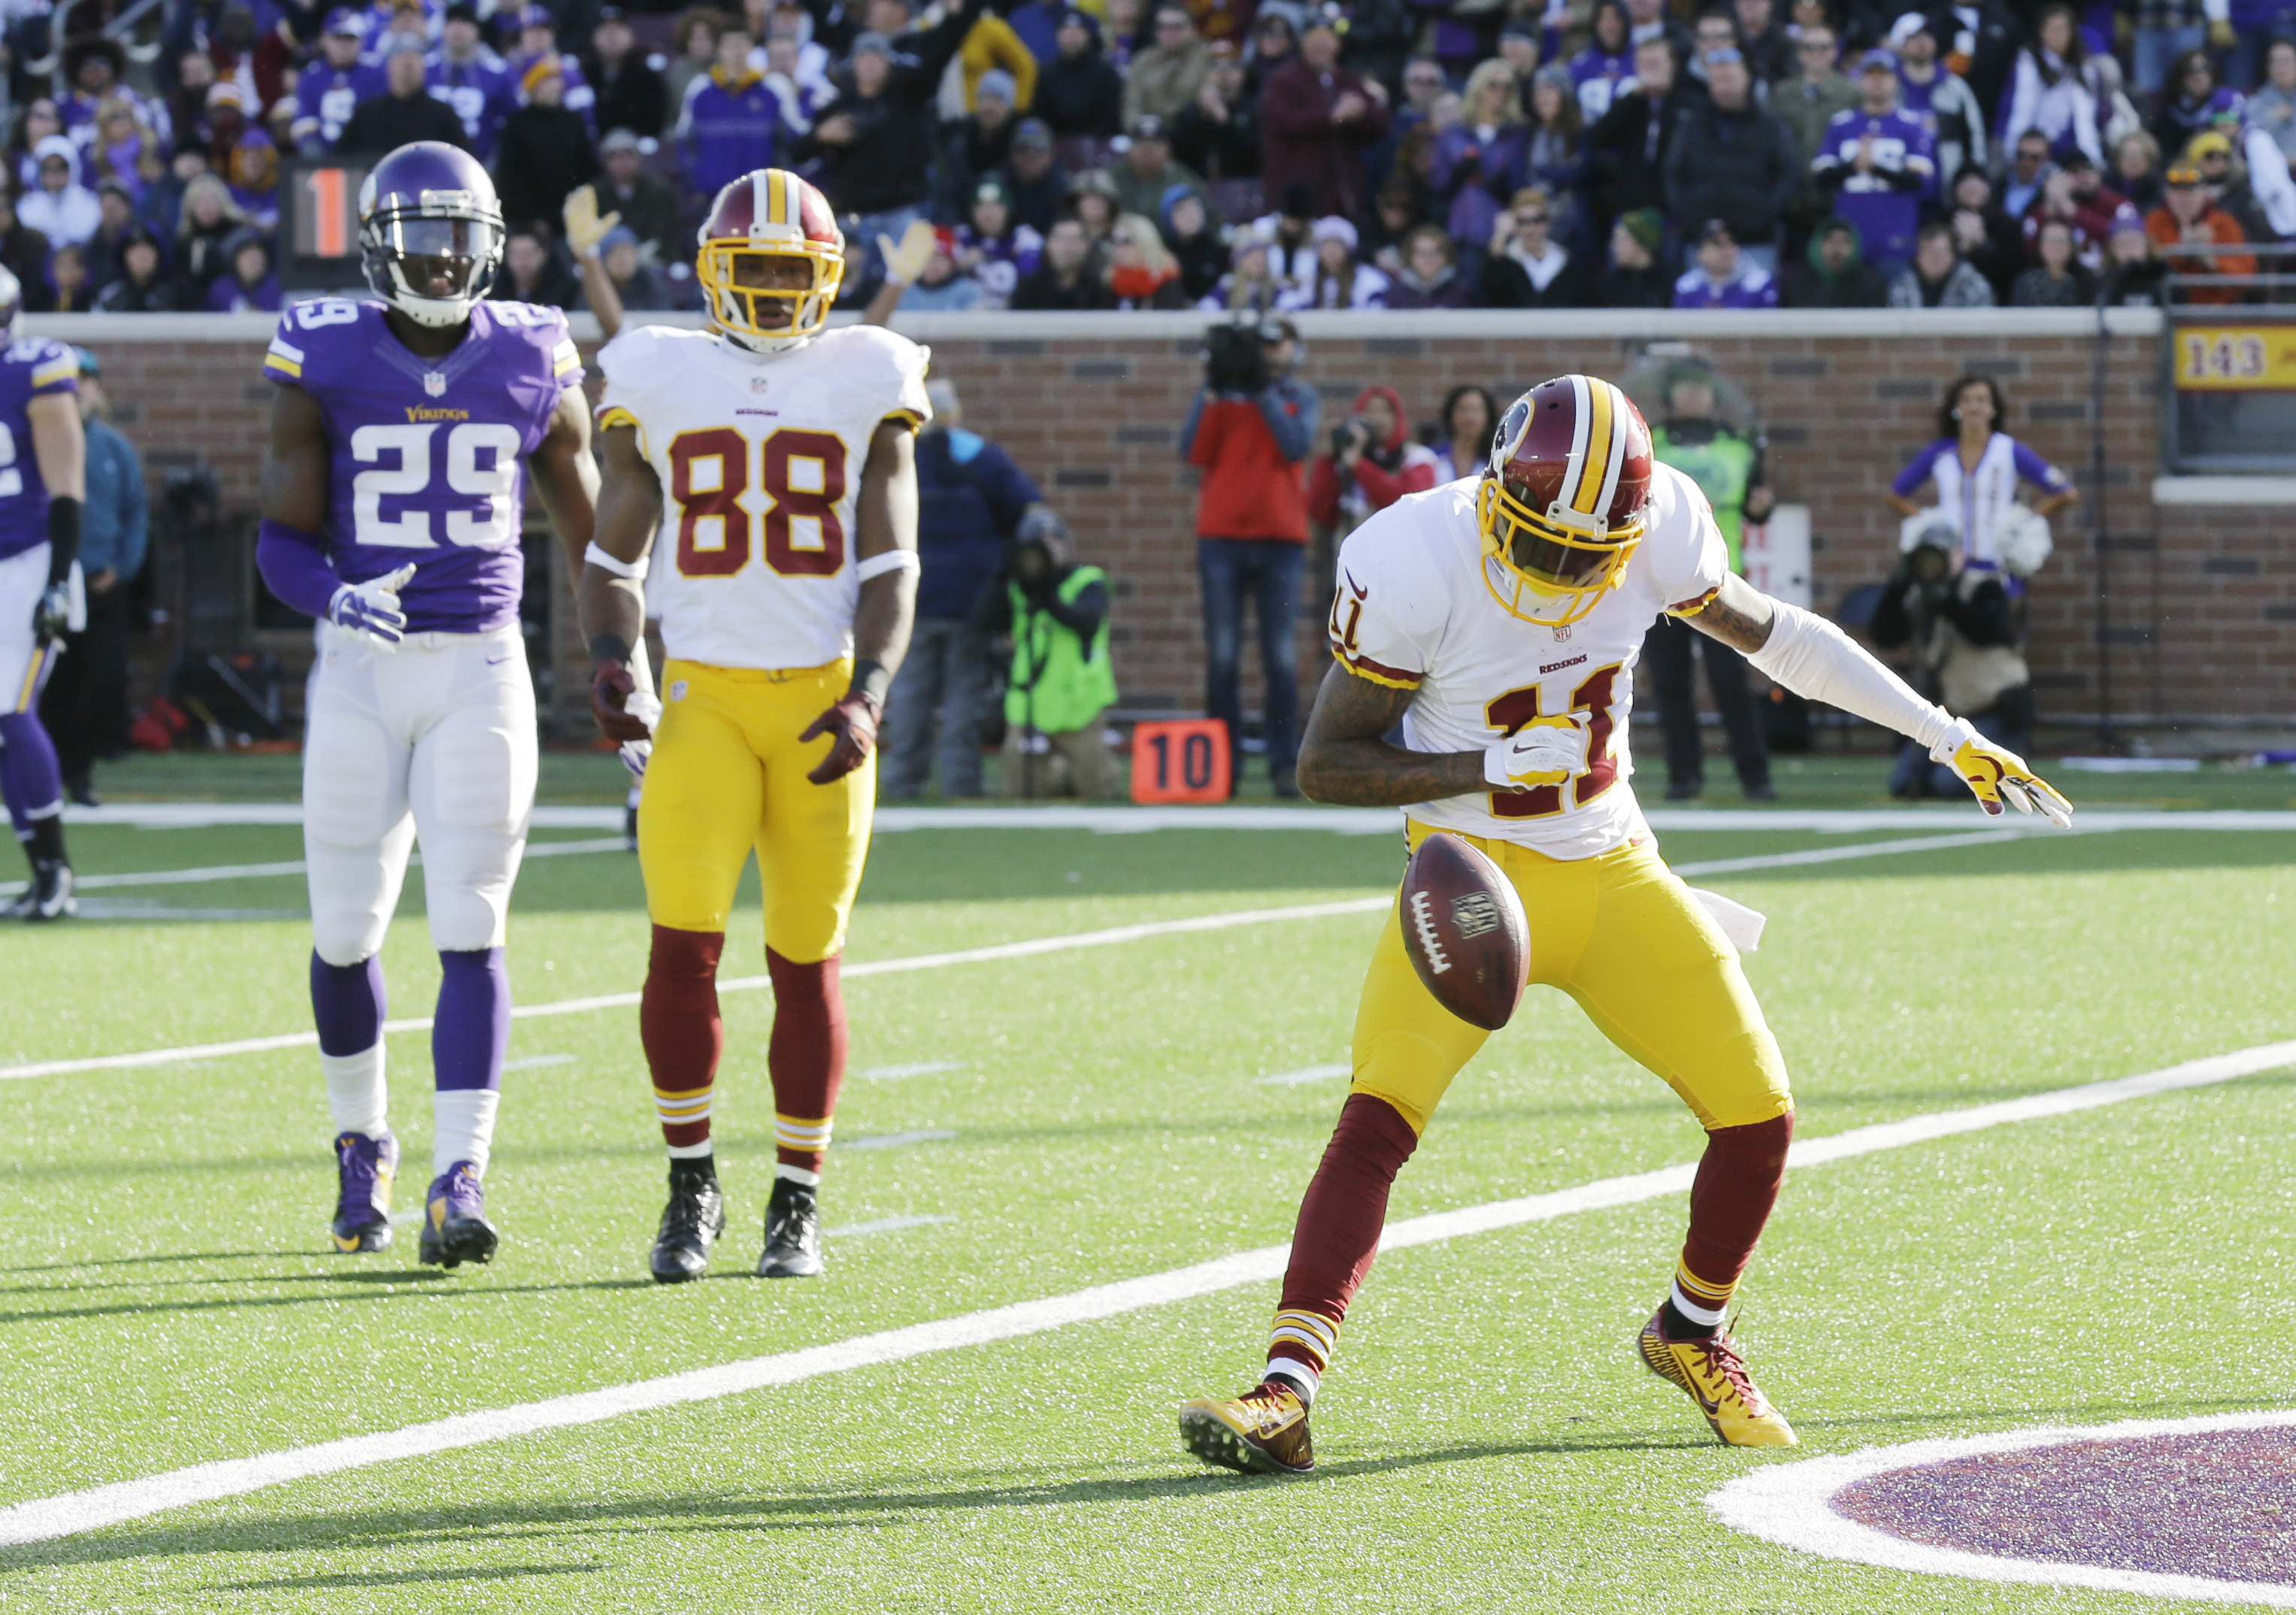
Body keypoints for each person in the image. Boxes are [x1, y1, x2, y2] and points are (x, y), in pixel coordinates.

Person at [1176, 374, 2075, 1476]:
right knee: (1377, 1118)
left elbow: (1777, 638)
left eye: (1581, 554)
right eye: (1539, 547)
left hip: (1610, 865)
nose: (1558, 574)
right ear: (1494, 495)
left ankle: (1689, 1332)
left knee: (1759, 1116)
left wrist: (1942, 734)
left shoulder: (1662, 525)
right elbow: (1323, 766)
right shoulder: (1413, 554)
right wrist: (1482, 766)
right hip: (1469, 873)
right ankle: (1285, 1392)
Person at [576, 167, 926, 1286]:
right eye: (756, 269)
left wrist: (868, 689)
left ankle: (796, 1199)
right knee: (681, 945)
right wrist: (606, 660)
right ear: (713, 274)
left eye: (792, 270)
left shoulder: (869, 373)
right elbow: (608, 555)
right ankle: (691, 1186)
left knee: (804, 957)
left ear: (825, 278)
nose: (775, 292)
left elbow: (891, 562)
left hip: (821, 695)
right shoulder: (659, 370)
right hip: (705, 700)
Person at [253, 143, 599, 1265]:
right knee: (345, 931)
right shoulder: (323, 350)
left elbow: (594, 532)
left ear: (492, 243)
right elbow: (279, 536)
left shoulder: (536, 349)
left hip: (479, 666)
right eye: (423, 238)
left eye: (462, 239)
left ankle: (462, 1172)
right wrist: (332, 593)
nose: (444, 264)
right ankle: (363, 1143)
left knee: (470, 923)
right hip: (360, 670)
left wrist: (625, 657)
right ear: (377, 243)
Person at [884, 377, 1043, 800]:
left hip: (913, 597)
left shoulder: (899, 457)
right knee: (964, 696)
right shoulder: (982, 459)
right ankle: (962, 781)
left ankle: (903, 781)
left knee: (911, 694)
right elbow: (1025, 510)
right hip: (973, 599)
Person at [1180, 314, 1319, 795]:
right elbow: (1194, 451)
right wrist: (1215, 390)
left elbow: (1295, 445)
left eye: (1275, 346)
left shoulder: (1298, 397)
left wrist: (1262, 393)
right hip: (1221, 537)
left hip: (1281, 540)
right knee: (1222, 655)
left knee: (1279, 657)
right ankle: (1222, 764)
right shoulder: (1219, 394)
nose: (1267, 355)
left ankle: (1283, 762)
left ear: (1291, 350)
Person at [1643, 365, 1773, 801]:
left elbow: (1755, 503)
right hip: (1659, 582)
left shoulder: (1739, 446)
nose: (1694, 396)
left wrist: (1761, 507)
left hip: (1721, 578)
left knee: (1732, 682)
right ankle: (1684, 777)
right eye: (1685, 386)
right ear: (1671, 394)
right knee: (1670, 684)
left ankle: (1755, 777)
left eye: (1702, 388)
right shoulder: (1649, 442)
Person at [0, 268, 86, 921]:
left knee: (13, 710)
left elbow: (66, 486)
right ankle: (39, 870)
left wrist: (58, 580)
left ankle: (57, 871)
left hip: (29, 563)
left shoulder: (34, 369)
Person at [37, 348, 141, 808]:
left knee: (101, 678)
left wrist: (124, 565)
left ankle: (82, 773)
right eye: (71, 379)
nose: (79, 387)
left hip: (102, 584)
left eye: (87, 379)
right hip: (57, 582)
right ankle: (47, 774)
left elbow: (135, 511)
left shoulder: (114, 447)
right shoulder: (38, 441)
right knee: (51, 683)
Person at [1870, 517, 2036, 803]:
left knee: (1949, 786)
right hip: (1953, 717)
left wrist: (1949, 603)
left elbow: (1991, 631)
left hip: (1996, 709)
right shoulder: (1918, 597)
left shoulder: (1984, 588)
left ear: (1957, 555)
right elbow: (1884, 637)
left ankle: (2005, 769)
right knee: (1903, 783)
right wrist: (1896, 589)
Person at [979, 508, 1119, 798]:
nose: (1047, 547)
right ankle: (1055, 774)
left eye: (1054, 539)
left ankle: (1067, 773)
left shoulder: (1087, 581)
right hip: (1029, 707)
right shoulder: (1018, 588)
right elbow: (982, 623)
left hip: (1078, 705)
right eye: (1037, 543)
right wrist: (1002, 574)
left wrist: (1047, 598)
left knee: (1097, 791)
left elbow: (1086, 620)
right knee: (1022, 789)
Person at [1886, 374, 2076, 574]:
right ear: (1955, 407)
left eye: (1981, 400)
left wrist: (2025, 522)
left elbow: (2065, 492)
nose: (1974, 407)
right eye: (1966, 400)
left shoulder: (2008, 449)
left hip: (1999, 562)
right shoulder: (1940, 453)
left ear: (1992, 408)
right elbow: (1895, 495)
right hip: (1950, 565)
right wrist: (1929, 523)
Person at [1661, 48, 1799, 268]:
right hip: (1701, 242)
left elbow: (1788, 174)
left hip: (1756, 241)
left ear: (1747, 79)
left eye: (1729, 79)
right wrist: (1689, 216)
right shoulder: (1691, 125)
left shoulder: (1771, 126)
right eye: (1717, 80)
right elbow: (1673, 173)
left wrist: (1764, 215)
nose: (1723, 87)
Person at [1810, 50, 1934, 280]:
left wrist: (1875, 167)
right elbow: (1821, 177)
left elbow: (1919, 181)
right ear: (1860, 80)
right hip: (1848, 240)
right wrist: (1854, 166)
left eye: (1884, 74)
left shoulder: (1911, 125)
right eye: (1870, 74)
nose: (1877, 81)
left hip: (1894, 238)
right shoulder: (1842, 124)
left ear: (1897, 81)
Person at [1259, 5, 1391, 220]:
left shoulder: (1346, 80)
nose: (1322, 46)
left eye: (1328, 39)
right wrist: (1331, 116)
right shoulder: (1284, 79)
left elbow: (1378, 122)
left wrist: (1361, 114)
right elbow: (1285, 121)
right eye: (1315, 39)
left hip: (1340, 192)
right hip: (1295, 191)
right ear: (1303, 43)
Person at [1308, 383, 1439, 541]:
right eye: (1369, 411)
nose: (1377, 418)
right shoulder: (1347, 458)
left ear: (1397, 417)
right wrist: (1328, 461)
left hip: (1402, 548)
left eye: (1385, 411)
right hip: (1356, 554)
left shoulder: (1418, 458)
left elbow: (1404, 504)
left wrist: (1360, 467)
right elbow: (1319, 513)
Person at [1584, 37, 1686, 235]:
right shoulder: (1632, 103)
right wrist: (1635, 97)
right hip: (1631, 210)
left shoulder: (1688, 103)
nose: (1649, 71)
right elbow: (1597, 139)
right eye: (1643, 64)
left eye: (1655, 64)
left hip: (1673, 212)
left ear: (1672, 64)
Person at [495, 56, 599, 232]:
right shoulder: (516, 124)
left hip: (571, 220)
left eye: (557, 79)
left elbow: (588, 170)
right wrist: (532, 219)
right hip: (527, 223)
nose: (555, 86)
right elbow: (509, 178)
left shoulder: (573, 120)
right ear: (533, 86)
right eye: (547, 80)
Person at [1999, 5, 2101, 167]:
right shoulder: (2027, 63)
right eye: (2051, 29)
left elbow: (2088, 117)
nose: (2057, 35)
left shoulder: (2085, 67)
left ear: (2072, 33)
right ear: (2041, 32)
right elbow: (2018, 109)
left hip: (2071, 145)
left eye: (2062, 29)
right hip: (2035, 144)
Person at [1889, 15, 1984, 189]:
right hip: (1899, 186)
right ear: (1899, 43)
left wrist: (1975, 174)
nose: (1922, 42)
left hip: (1946, 184)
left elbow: (1974, 135)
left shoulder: (1955, 86)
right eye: (1914, 37)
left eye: (1928, 35)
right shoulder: (1889, 87)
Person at [2146, 162, 2253, 306]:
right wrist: (2182, 251)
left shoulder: (2224, 224)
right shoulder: (2156, 222)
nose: (2184, 199)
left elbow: (2245, 276)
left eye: (2190, 191)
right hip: (2168, 312)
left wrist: (2210, 260)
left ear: (2204, 193)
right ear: (2167, 195)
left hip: (2218, 313)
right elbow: (2148, 268)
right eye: (2177, 192)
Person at [340, 39, 474, 153]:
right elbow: (344, 161)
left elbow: (462, 159)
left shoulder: (442, 114)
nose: (407, 63)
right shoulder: (367, 114)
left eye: (414, 57)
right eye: (401, 57)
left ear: (423, 66)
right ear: (389, 65)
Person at [428, 2, 520, 159]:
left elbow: (512, 125)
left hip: (480, 162)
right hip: (429, 160)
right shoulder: (425, 69)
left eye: (465, 23)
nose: (458, 29)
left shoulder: (499, 73)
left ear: (477, 31)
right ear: (444, 30)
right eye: (453, 22)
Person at [293, 11, 388, 154]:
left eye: (350, 39)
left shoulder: (376, 73)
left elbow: (381, 119)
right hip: (323, 159)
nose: (345, 45)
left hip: (365, 153)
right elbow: (305, 123)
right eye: (339, 38)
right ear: (325, 40)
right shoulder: (311, 76)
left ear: (361, 41)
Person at [1482, 186, 1589, 305]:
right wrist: (1499, 238)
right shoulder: (1505, 261)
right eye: (1523, 222)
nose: (1530, 229)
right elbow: (1489, 293)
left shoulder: (1565, 261)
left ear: (1548, 223)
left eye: (1537, 220)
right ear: (1515, 225)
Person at [1034, 8, 1125, 137]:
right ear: (1057, 35)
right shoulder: (1046, 73)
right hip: (1054, 143)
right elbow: (1040, 115)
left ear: (1087, 35)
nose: (1072, 35)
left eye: (1078, 30)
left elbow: (1111, 117)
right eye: (1066, 29)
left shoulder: (1105, 73)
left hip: (1096, 144)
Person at [586, 5, 671, 139]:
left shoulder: (647, 76)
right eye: (605, 29)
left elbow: (653, 120)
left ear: (631, 35)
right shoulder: (584, 74)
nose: (612, 35)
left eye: (618, 29)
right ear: (594, 36)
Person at [1125, 2, 1210, 125]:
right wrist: (1138, 132)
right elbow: (1132, 105)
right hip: (1149, 135)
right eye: (1162, 27)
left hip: (1191, 133)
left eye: (1177, 27)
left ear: (1192, 28)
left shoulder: (1207, 58)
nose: (1169, 33)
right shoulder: (1143, 60)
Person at [1780, 213, 1887, 305]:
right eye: (1830, 239)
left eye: (1845, 241)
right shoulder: (1792, 284)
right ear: (1817, 245)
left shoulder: (1871, 286)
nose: (1837, 248)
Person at [1010, 215, 1114, 308]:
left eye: (1075, 239)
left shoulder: (1100, 290)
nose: (1068, 247)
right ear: (1048, 244)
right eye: (1061, 239)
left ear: (1087, 246)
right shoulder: (1028, 289)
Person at [1888, 220, 1995, 308]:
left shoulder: (1975, 286)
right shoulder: (1901, 287)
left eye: (1941, 251)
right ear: (1918, 257)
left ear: (1953, 256)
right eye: (1928, 251)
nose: (1935, 257)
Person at [1674, 219, 1778, 308]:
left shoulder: (1759, 283)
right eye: (1718, 244)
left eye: (1731, 242)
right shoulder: (1688, 286)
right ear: (1700, 254)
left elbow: (1773, 326)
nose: (1727, 250)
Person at [20, 138, 100, 248]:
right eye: (48, 168)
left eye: (61, 167)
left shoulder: (92, 204)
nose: (54, 175)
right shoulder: (27, 206)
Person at [1379, 223, 1476, 308]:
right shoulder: (1396, 293)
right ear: (1410, 257)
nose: (1428, 259)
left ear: (1447, 256)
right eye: (1421, 253)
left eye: (1436, 252)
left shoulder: (1461, 291)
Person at [2012, 216, 2098, 306]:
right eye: (2051, 240)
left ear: (2071, 246)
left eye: (2061, 241)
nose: (2056, 247)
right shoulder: (2026, 283)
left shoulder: (2086, 282)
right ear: (2041, 246)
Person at [1596, 208, 1674, 306]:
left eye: (1622, 240)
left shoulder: (1670, 284)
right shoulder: (1610, 285)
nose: (1614, 247)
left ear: (1642, 243)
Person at [91, 229, 180, 312]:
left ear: (158, 256)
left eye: (147, 250)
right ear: (124, 257)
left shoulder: (176, 295)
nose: (141, 256)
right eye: (135, 251)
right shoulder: (110, 297)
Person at [1428, 383, 1495, 482]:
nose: (1470, 417)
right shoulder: (1432, 458)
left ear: (1488, 416)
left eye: (1476, 410)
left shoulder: (1497, 462)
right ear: (1450, 415)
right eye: (1463, 410)